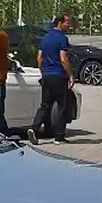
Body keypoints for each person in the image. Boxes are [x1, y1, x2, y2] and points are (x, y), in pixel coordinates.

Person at [34, 13, 75, 144]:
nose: (69, 25)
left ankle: (34, 128)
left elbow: (39, 58)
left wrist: (43, 72)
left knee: (45, 105)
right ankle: (59, 136)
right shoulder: (62, 39)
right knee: (63, 106)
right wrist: (71, 75)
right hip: (59, 76)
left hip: (47, 76)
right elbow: (63, 59)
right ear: (60, 23)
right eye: (67, 22)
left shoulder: (45, 38)